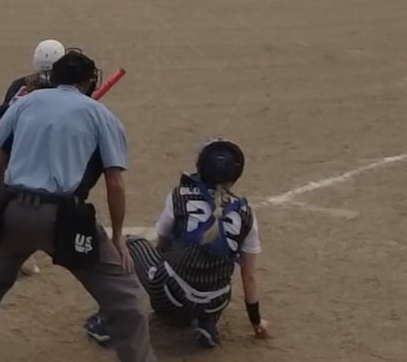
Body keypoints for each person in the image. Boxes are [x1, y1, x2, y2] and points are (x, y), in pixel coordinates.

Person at [0, 48, 152, 362]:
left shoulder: (25, 102)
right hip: (64, 218)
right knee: (125, 297)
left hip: (14, 210)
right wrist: (117, 236)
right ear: (88, 81)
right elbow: (115, 182)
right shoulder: (101, 115)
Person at [83, 138, 272, 350]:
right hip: (215, 302)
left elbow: (162, 243)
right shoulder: (246, 213)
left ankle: (109, 322)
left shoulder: (179, 196)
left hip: (171, 295)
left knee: (132, 245)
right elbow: (249, 276)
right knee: (218, 276)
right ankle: (206, 322)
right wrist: (256, 322)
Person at [0, 38, 67, 278]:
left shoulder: (19, 85)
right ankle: (25, 248)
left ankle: (1, 225)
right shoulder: (61, 93)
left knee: (10, 193)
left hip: (12, 150)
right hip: (36, 152)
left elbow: (1, 114)